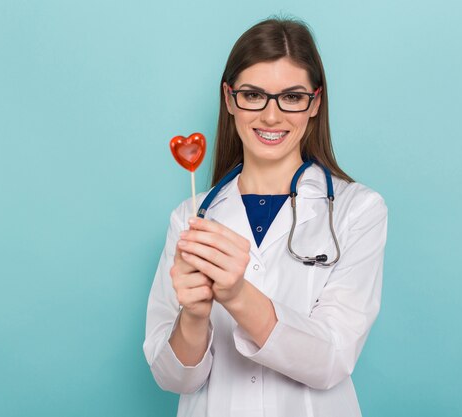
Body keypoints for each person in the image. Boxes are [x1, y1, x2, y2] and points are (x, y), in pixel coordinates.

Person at [143, 17, 388, 417]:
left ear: (315, 102)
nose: (272, 117)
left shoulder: (357, 210)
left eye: (291, 97)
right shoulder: (191, 218)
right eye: (253, 95)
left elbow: (332, 359)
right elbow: (174, 379)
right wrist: (195, 316)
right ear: (229, 99)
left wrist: (237, 295)